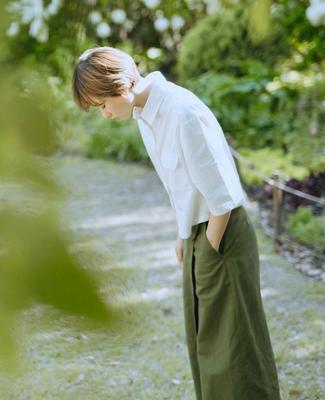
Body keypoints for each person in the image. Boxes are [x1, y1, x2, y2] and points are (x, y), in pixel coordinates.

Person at [71, 46, 281, 400]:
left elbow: (222, 197)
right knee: (207, 347)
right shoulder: (145, 115)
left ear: (122, 84)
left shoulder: (180, 111)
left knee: (236, 351)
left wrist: (211, 246)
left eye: (102, 104)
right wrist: (184, 235)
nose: (104, 114)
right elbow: (183, 185)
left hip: (222, 233)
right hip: (199, 234)